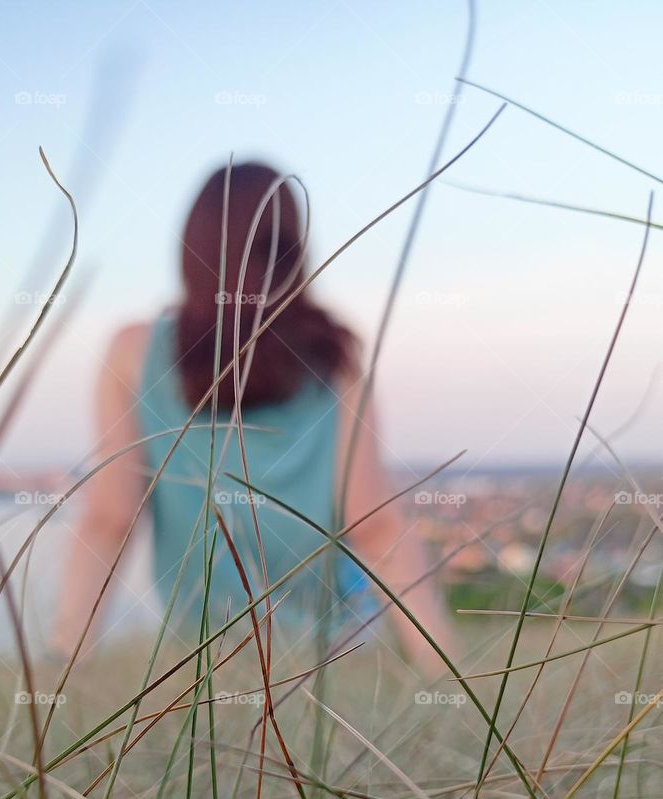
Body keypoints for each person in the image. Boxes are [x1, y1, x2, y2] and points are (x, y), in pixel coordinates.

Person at [53, 161, 453, 673]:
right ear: (293, 247)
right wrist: (442, 671)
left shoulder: (133, 352)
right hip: (332, 655)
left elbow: (110, 519)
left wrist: (62, 662)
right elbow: (375, 522)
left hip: (197, 659)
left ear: (191, 246)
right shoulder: (336, 353)